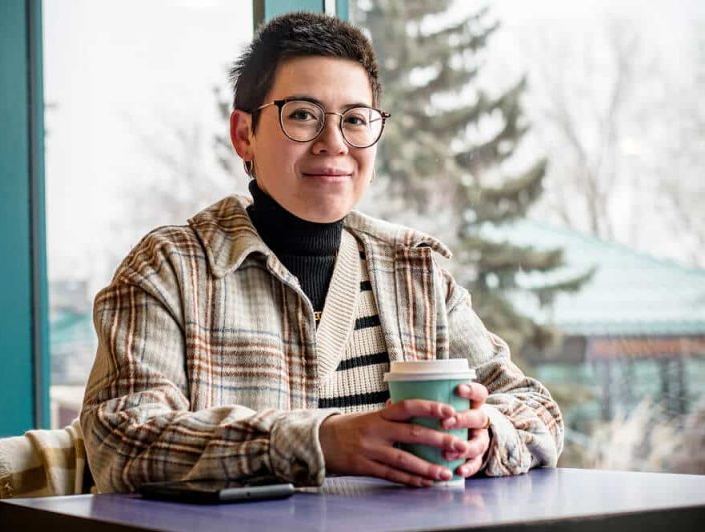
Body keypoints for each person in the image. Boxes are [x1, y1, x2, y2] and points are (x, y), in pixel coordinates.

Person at [81, 11, 563, 493]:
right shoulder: (171, 270)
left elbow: (535, 408)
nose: (333, 144)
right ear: (244, 134)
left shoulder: (414, 272)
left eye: (354, 120)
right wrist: (321, 442)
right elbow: (120, 440)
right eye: (303, 116)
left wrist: (482, 435)